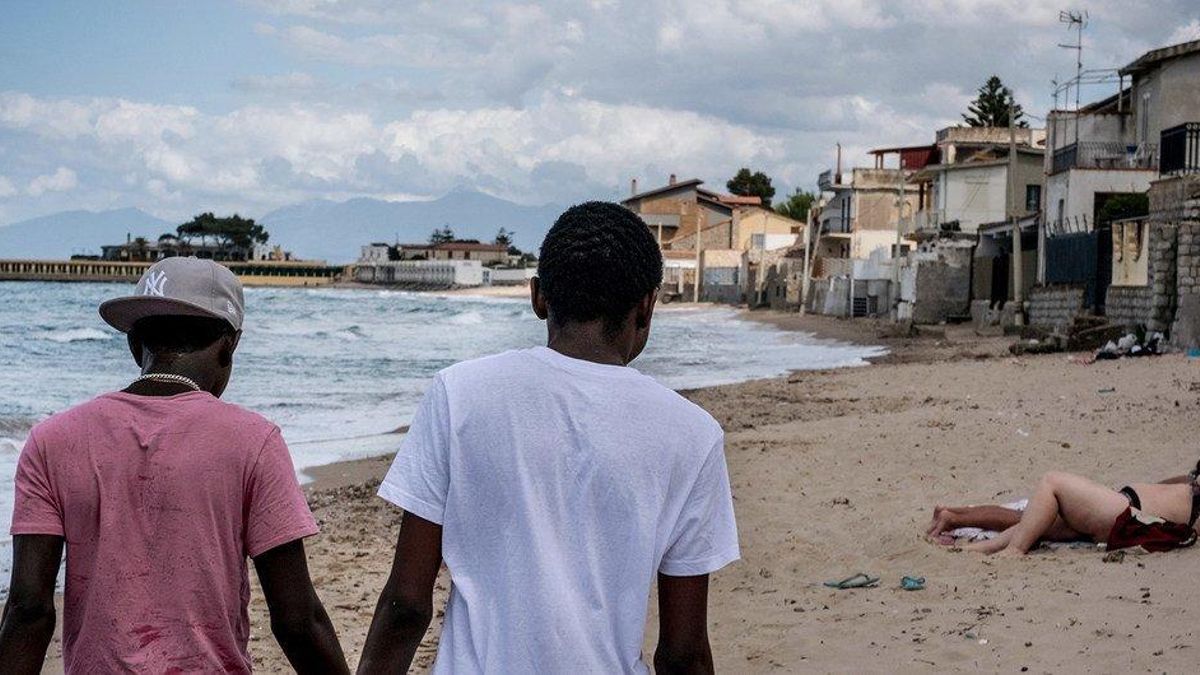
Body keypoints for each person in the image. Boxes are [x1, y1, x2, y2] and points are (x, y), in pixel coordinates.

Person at [357, 202, 740, 674]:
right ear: (647, 306)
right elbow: (683, 652)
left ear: (538, 297)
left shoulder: (460, 395)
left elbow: (407, 604)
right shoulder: (692, 435)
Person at [0, 257, 348, 674]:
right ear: (229, 344)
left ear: (135, 345)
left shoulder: (52, 440)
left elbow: (29, 609)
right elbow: (297, 620)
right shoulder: (253, 441)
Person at [945, 465, 1200, 556]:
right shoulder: (1192, 485)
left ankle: (1013, 551)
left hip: (1127, 511)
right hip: (1125, 505)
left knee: (1052, 482)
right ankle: (977, 549)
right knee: (1037, 526)